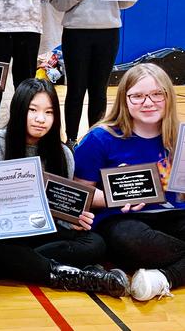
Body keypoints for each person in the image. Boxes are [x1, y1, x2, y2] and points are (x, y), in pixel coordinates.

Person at [0, 78, 129, 296]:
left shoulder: (63, 154)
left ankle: (6, 266)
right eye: (32, 110)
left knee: (95, 242)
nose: (40, 119)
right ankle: (74, 276)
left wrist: (74, 220)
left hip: (43, 230)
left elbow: (60, 209)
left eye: (49, 112)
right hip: (2, 230)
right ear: (18, 110)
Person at [74, 63, 185, 301]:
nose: (148, 102)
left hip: (173, 217)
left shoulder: (180, 136)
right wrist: (118, 196)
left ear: (168, 97)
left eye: (157, 94)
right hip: (124, 221)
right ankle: (170, 275)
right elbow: (79, 193)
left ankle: (164, 278)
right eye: (137, 96)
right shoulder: (100, 138)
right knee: (131, 241)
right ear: (125, 99)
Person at [50, 0, 148, 149]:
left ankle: (95, 140)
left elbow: (123, 2)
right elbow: (56, 0)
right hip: (76, 33)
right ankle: (70, 140)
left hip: (108, 32)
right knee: (75, 89)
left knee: (99, 90)